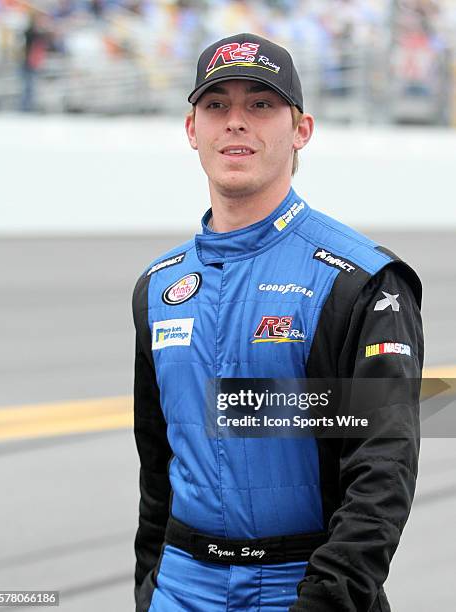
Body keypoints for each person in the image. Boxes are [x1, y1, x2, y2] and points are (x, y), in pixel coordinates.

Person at [132, 33, 423, 612]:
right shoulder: (160, 288)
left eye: (261, 104)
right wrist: (149, 587)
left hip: (304, 586)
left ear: (301, 130)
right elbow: (156, 464)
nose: (236, 122)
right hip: (181, 588)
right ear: (193, 130)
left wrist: (328, 597)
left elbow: (384, 469)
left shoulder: (360, 279)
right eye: (217, 105)